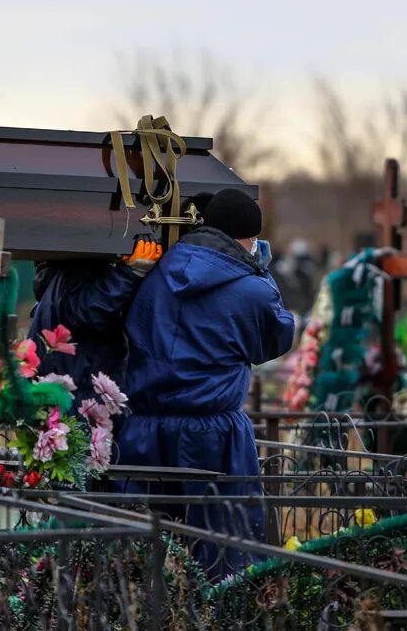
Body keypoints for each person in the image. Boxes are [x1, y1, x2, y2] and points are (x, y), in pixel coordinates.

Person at [117, 188, 295, 578]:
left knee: (142, 557)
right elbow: (277, 338)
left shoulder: (157, 272)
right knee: (223, 555)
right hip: (214, 433)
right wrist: (261, 273)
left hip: (144, 428)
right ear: (248, 239)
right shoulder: (251, 289)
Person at [27, 234, 163, 409]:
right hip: (79, 401)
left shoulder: (61, 269)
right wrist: (130, 273)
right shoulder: (78, 270)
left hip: (71, 393)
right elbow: (87, 312)